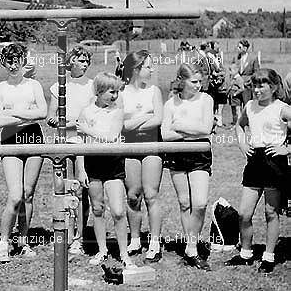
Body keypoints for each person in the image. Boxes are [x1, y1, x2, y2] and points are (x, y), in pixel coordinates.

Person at [224, 69, 290, 273]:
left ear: (274, 87)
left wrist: (287, 148)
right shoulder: (250, 106)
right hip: (255, 162)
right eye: (254, 85)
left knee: (271, 212)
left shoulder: (283, 108)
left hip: (274, 163)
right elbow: (239, 125)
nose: (257, 89)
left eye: (262, 85)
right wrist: (243, 144)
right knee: (244, 213)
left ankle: (269, 257)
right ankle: (246, 253)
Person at [0, 43, 47, 263]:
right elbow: (0, 121)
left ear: (24, 61)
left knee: (28, 193)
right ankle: (4, 241)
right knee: (15, 196)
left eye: (17, 60)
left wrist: (14, 112)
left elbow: (42, 112)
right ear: (3, 62)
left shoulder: (34, 85)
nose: (13, 65)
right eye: (9, 61)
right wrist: (28, 114)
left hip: (33, 137)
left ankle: (23, 240)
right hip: (10, 139)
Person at [76, 72, 133, 268]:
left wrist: (87, 130)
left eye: (117, 92)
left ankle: (124, 254)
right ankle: (102, 250)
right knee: (97, 208)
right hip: (92, 163)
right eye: (111, 92)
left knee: (117, 210)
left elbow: (110, 136)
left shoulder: (117, 111)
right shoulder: (86, 111)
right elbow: (81, 143)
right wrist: (81, 168)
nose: (115, 96)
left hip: (113, 162)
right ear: (99, 92)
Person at [161, 63, 214, 271]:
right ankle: (191, 249)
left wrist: (179, 126)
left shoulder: (206, 99)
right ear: (182, 81)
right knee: (184, 203)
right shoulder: (170, 104)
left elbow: (205, 130)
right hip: (176, 154)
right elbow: (165, 135)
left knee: (199, 203)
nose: (199, 85)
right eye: (194, 82)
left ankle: (192, 245)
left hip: (200, 153)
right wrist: (190, 132)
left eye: (201, 81)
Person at [47, 45, 94, 256]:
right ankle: (64, 232)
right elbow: (50, 117)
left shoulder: (93, 86)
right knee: (62, 191)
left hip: (83, 142)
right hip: (63, 141)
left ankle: (79, 238)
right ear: (71, 62)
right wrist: (61, 122)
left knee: (80, 191)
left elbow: (94, 116)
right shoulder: (59, 86)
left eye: (87, 61)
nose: (85, 64)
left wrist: (79, 124)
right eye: (81, 60)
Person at [119, 51, 164, 262]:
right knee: (132, 195)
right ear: (136, 69)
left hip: (152, 148)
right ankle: (135, 238)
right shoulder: (121, 92)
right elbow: (122, 125)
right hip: (129, 149)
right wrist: (143, 117)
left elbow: (158, 119)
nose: (152, 70)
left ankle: (154, 242)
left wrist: (133, 123)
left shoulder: (154, 91)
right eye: (148, 66)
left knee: (151, 194)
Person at [231, 40, 259, 122]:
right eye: (238, 47)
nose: (238, 48)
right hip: (237, 86)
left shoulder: (253, 58)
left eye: (240, 47)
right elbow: (232, 70)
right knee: (237, 105)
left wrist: (249, 82)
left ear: (245, 48)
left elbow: (256, 72)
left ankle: (248, 121)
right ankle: (238, 122)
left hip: (247, 86)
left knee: (247, 105)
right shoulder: (236, 58)